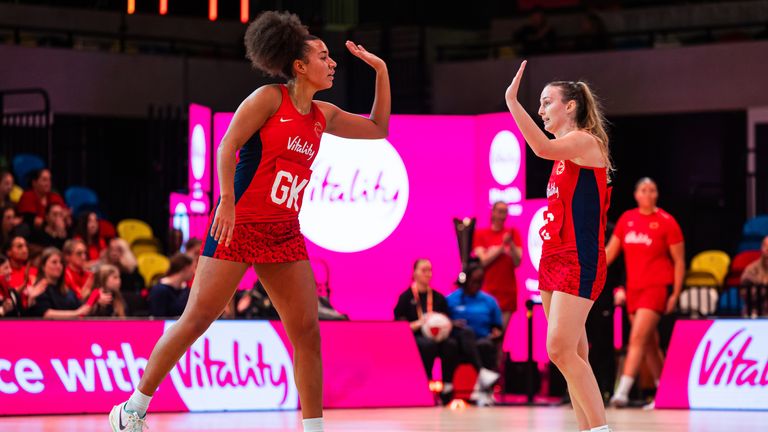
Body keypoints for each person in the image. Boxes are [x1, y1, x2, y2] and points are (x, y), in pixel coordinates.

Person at [109, 11, 390, 432]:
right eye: (323, 56)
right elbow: (228, 146)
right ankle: (131, 409)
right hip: (239, 224)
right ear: (299, 66)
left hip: (284, 232)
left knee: (307, 333)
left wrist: (381, 70)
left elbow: (378, 129)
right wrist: (226, 201)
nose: (332, 63)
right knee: (196, 319)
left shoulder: (324, 115)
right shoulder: (269, 99)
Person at [506, 61, 613, 432]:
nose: (540, 110)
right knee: (573, 354)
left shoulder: (585, 142)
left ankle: (600, 430)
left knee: (559, 350)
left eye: (546, 102)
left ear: (570, 106)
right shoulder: (563, 156)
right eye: (538, 104)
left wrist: (512, 102)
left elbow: (539, 147)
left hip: (579, 258)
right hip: (553, 258)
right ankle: (588, 428)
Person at [606, 178, 685, 408]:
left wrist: (675, 293)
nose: (648, 193)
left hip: (656, 288)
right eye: (643, 189)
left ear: (657, 194)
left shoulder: (667, 222)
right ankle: (666, 393)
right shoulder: (627, 219)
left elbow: (679, 261)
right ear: (636, 195)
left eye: (652, 189)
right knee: (650, 343)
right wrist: (587, 267)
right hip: (634, 290)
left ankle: (622, 392)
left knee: (637, 338)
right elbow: (610, 253)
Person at [394, 259, 460, 405]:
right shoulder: (405, 297)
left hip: (438, 336)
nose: (428, 274)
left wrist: (443, 325)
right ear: (415, 273)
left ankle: (447, 385)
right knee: (427, 346)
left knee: (451, 345)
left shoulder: (438, 297)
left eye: (430, 270)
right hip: (415, 337)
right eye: (424, 270)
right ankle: (426, 383)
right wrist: (420, 323)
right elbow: (399, 326)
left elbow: (447, 318)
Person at [447, 261, 504, 406]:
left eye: (480, 281)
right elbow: (443, 321)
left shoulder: (489, 301)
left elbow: (498, 327)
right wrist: (452, 324)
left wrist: (496, 333)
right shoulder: (451, 299)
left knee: (486, 345)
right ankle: (481, 373)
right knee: (465, 333)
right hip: (458, 342)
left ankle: (485, 392)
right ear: (465, 279)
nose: (476, 285)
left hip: (481, 340)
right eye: (474, 281)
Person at [473, 201, 522, 328]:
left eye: (505, 212)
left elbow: (518, 261)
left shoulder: (512, 233)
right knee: (486, 333)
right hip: (487, 291)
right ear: (493, 212)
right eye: (500, 211)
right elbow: (483, 261)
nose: (502, 215)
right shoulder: (480, 234)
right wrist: (501, 247)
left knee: (500, 334)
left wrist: (510, 244)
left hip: (507, 292)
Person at [23, 247, 93, 318]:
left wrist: (91, 301)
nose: (59, 266)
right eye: (54, 262)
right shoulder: (39, 289)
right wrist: (76, 313)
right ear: (43, 266)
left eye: (61, 263)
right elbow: (46, 314)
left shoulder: (68, 292)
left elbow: (81, 309)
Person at [147, 253, 195, 318]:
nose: (194, 272)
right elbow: (157, 317)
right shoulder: (159, 290)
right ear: (185, 268)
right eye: (193, 268)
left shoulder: (186, 290)